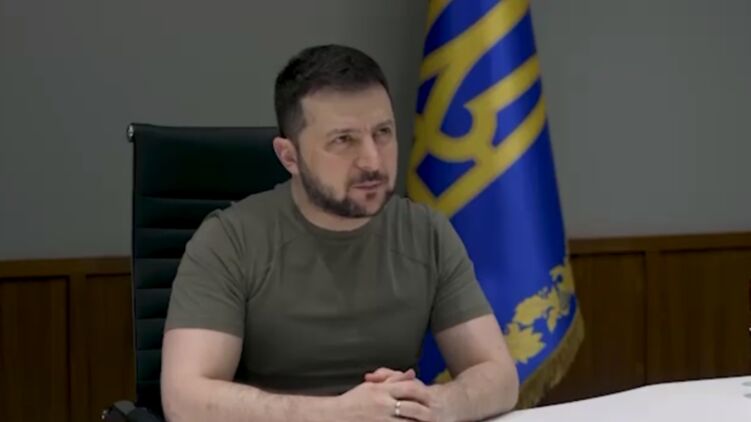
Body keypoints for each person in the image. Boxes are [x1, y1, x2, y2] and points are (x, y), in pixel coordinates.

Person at [160, 44, 519, 422]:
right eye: (343, 140)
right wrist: (336, 414)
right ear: (289, 157)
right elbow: (185, 400)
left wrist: (437, 404)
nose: (372, 161)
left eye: (383, 133)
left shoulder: (426, 233)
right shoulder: (228, 240)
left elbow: (499, 377)